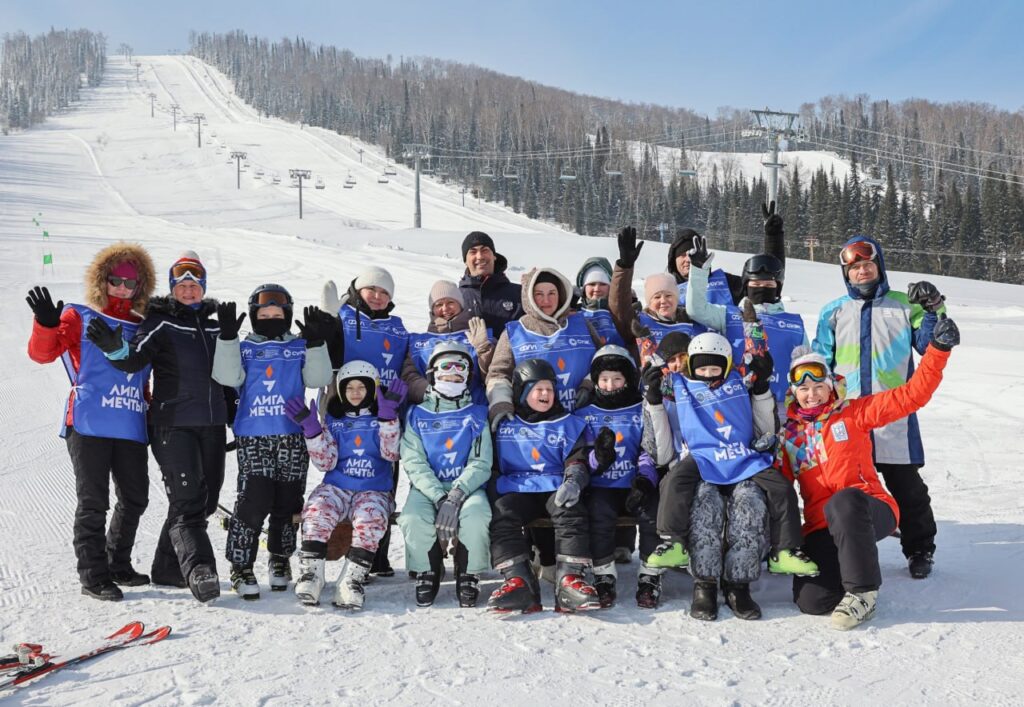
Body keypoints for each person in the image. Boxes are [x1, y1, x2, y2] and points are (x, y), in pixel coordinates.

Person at [780, 316, 959, 629]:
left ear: (831, 386)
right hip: (822, 525)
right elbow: (779, 487)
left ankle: (863, 592)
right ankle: (853, 561)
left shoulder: (853, 413)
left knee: (843, 501)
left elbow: (912, 395)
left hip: (868, 507)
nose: (812, 394)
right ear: (794, 393)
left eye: (818, 386)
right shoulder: (790, 437)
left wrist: (938, 351)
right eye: (804, 388)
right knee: (813, 601)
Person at [86, 251, 234, 603]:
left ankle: (168, 568)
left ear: (203, 288)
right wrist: (113, 348)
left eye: (194, 284)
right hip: (173, 424)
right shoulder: (161, 322)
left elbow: (231, 377)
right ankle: (200, 569)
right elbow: (134, 360)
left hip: (212, 425)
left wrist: (235, 413)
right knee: (188, 503)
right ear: (172, 288)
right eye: (181, 285)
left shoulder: (216, 326)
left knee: (208, 499)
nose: (188, 290)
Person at [646, 332, 815, 620]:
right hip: (702, 457)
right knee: (681, 487)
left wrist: (761, 384)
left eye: (715, 368)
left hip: (741, 456)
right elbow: (654, 369)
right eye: (702, 369)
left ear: (726, 365)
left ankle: (776, 556)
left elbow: (765, 420)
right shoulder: (680, 386)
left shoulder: (739, 383)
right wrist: (652, 394)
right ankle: (690, 564)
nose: (709, 375)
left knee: (776, 490)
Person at [26, 243, 156, 601]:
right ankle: (94, 576)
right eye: (115, 280)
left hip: (130, 423)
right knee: (93, 501)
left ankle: (117, 563)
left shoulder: (144, 327)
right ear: (103, 281)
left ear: (140, 287)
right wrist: (47, 325)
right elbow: (42, 354)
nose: (122, 289)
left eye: (131, 283)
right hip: (89, 422)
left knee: (135, 498)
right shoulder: (80, 316)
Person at [813, 236, 945, 579]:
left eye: (867, 265)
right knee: (842, 486)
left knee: (905, 484)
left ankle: (919, 549)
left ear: (879, 266)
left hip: (892, 412)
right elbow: (819, 364)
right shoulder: (833, 311)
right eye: (854, 267)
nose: (862, 271)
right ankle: (838, 545)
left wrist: (933, 308)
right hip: (849, 416)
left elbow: (929, 343)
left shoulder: (904, 304)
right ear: (846, 273)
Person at [211, 284, 333, 599]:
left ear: (288, 315)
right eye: (263, 315)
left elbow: (318, 379)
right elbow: (227, 377)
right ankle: (241, 565)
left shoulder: (297, 346)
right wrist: (226, 338)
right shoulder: (245, 346)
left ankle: (280, 560)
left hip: (292, 434)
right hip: (254, 435)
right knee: (253, 499)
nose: (270, 319)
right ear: (253, 317)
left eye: (277, 315)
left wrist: (317, 344)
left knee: (289, 502)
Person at [284, 362, 407, 609]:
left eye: (362, 386)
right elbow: (326, 462)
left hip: (374, 488)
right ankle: (312, 575)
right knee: (318, 510)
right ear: (340, 391)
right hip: (337, 486)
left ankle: (351, 580)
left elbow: (391, 453)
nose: (355, 392)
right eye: (349, 387)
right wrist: (313, 431)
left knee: (369, 521)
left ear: (373, 389)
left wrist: (388, 419)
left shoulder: (382, 417)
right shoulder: (336, 420)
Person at [487, 359, 600, 614]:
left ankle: (570, 579)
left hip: (554, 485)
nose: (545, 394)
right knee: (502, 513)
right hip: (516, 488)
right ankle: (517, 581)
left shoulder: (567, 423)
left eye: (549, 389)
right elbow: (491, 464)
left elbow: (578, 457)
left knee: (570, 510)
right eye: (538, 389)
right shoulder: (505, 423)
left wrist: (574, 480)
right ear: (523, 393)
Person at [321, 265, 409, 577]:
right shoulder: (343, 317)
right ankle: (336, 548)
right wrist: (328, 322)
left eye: (384, 292)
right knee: (342, 482)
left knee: (383, 485)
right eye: (372, 289)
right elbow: (324, 355)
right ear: (359, 289)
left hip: (385, 417)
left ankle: (375, 556)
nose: (377, 296)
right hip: (346, 414)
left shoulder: (398, 328)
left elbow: (408, 366)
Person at [397, 342, 492, 607]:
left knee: (476, 515)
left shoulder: (476, 414)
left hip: (467, 489)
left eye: (459, 367)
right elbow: (414, 461)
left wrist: (456, 495)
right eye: (445, 366)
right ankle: (428, 568)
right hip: (429, 490)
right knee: (413, 518)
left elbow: (481, 461)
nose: (453, 372)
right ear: (432, 373)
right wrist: (440, 498)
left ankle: (468, 571)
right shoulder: (417, 414)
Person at [574, 346, 662, 608]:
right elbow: (580, 458)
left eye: (617, 379)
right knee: (599, 513)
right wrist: (598, 458)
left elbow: (648, 450)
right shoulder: (585, 414)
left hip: (634, 482)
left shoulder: (641, 409)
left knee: (651, 514)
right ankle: (603, 575)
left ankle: (650, 574)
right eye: (604, 379)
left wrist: (646, 479)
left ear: (627, 380)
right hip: (602, 485)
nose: (610, 385)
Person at [686, 248, 808, 413]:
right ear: (746, 286)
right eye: (756, 284)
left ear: (778, 288)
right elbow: (696, 310)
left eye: (768, 285)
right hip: (737, 400)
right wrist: (699, 272)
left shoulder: (794, 323)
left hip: (781, 404)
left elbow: (806, 364)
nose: (762, 288)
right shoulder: (729, 314)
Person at [486, 266, 603, 424]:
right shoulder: (514, 332)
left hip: (585, 418)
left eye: (552, 293)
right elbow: (498, 375)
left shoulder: (581, 323)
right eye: (539, 294)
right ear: (530, 297)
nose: (546, 301)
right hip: (537, 426)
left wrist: (589, 383)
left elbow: (603, 361)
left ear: (561, 294)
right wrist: (501, 403)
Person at [609, 227, 704, 367]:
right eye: (657, 297)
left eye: (668, 295)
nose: (663, 301)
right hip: (649, 385)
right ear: (648, 301)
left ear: (677, 298)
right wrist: (625, 266)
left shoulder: (690, 320)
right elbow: (619, 307)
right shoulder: (639, 322)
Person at [667, 201, 787, 306]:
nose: (688, 259)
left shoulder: (725, 283)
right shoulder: (665, 289)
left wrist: (773, 237)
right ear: (674, 259)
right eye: (682, 255)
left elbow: (767, 278)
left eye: (692, 253)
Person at [401, 280, 494, 406]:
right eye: (439, 304)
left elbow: (494, 374)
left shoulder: (479, 334)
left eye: (450, 302)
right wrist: (428, 392)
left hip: (474, 408)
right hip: (429, 409)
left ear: (460, 305)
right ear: (432, 309)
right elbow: (408, 375)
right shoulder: (417, 342)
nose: (445, 308)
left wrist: (484, 349)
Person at [458, 231, 523, 338]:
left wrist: (534, 288)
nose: (479, 256)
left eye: (485, 250)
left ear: (494, 256)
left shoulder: (518, 293)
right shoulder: (456, 298)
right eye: (473, 252)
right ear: (465, 261)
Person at [574, 257, 625, 347]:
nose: (597, 289)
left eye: (603, 284)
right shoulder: (573, 312)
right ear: (584, 288)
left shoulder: (619, 313)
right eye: (592, 284)